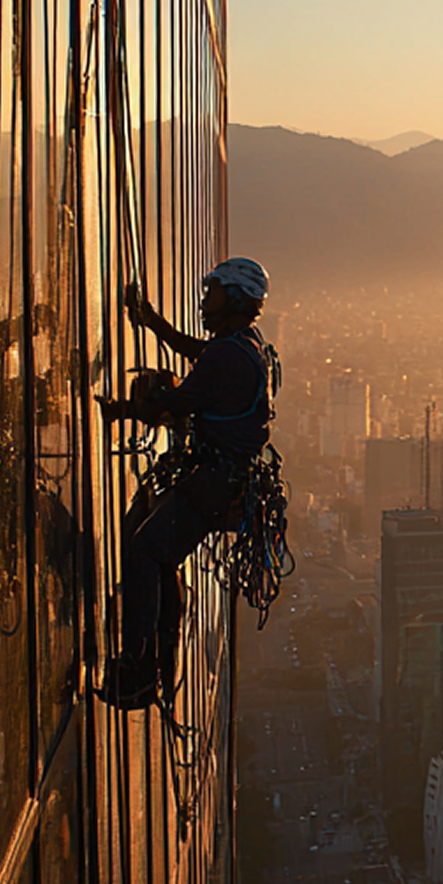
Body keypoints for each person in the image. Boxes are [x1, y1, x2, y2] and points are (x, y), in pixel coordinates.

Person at [99, 256, 278, 707]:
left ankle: (139, 663)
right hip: (223, 482)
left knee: (144, 550)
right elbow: (198, 355)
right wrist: (153, 321)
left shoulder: (226, 355)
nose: (206, 300)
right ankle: (159, 664)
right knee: (161, 557)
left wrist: (114, 409)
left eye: (214, 292)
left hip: (212, 483)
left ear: (234, 299)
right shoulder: (248, 346)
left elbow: (175, 403)